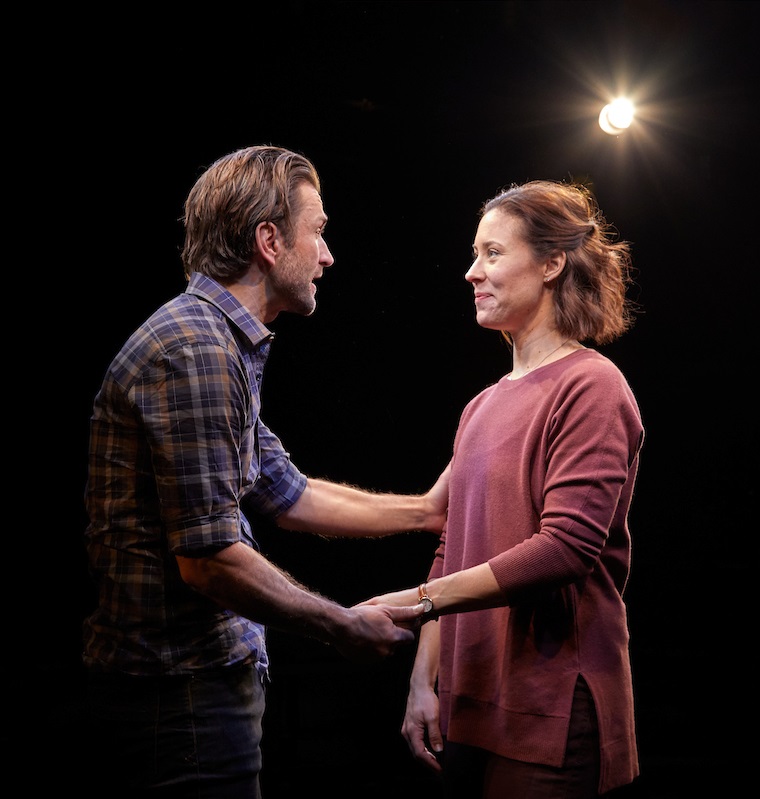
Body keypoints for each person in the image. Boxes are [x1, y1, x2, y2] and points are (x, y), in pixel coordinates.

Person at [81, 144, 449, 798]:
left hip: (192, 692)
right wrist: (340, 625)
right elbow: (210, 561)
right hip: (180, 697)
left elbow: (287, 492)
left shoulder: (219, 342)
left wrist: (426, 511)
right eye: (319, 232)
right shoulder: (195, 350)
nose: (327, 256)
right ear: (269, 241)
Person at [363, 180, 644, 797]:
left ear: (551, 264)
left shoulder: (591, 386)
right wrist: (423, 680)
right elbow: (451, 544)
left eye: (492, 253)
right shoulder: (480, 406)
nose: (472, 272)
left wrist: (419, 601)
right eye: (475, 254)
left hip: (550, 705)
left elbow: (564, 550)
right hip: (469, 703)